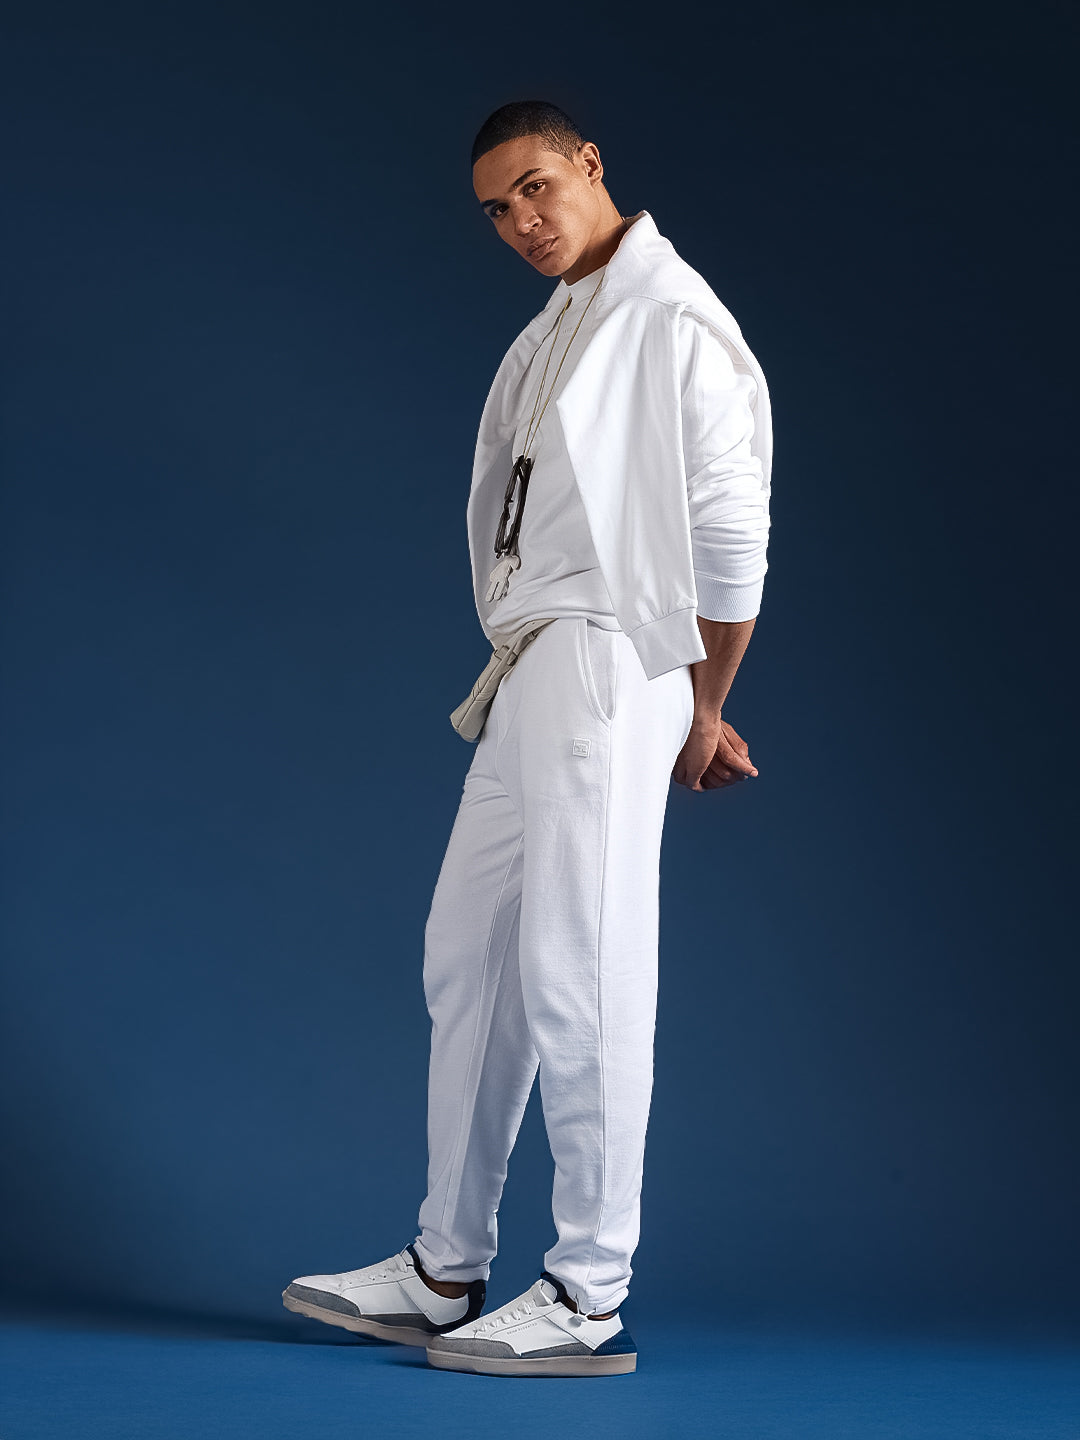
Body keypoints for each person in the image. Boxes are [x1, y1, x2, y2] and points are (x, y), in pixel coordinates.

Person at [283, 99, 773, 1378]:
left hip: (611, 650)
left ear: (591, 165)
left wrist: (701, 703)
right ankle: (446, 1266)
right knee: (472, 955)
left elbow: (732, 535)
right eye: (497, 209)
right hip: (533, 663)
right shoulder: (560, 323)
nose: (521, 221)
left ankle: (588, 1292)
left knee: (582, 966)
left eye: (538, 187)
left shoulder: (670, 317)